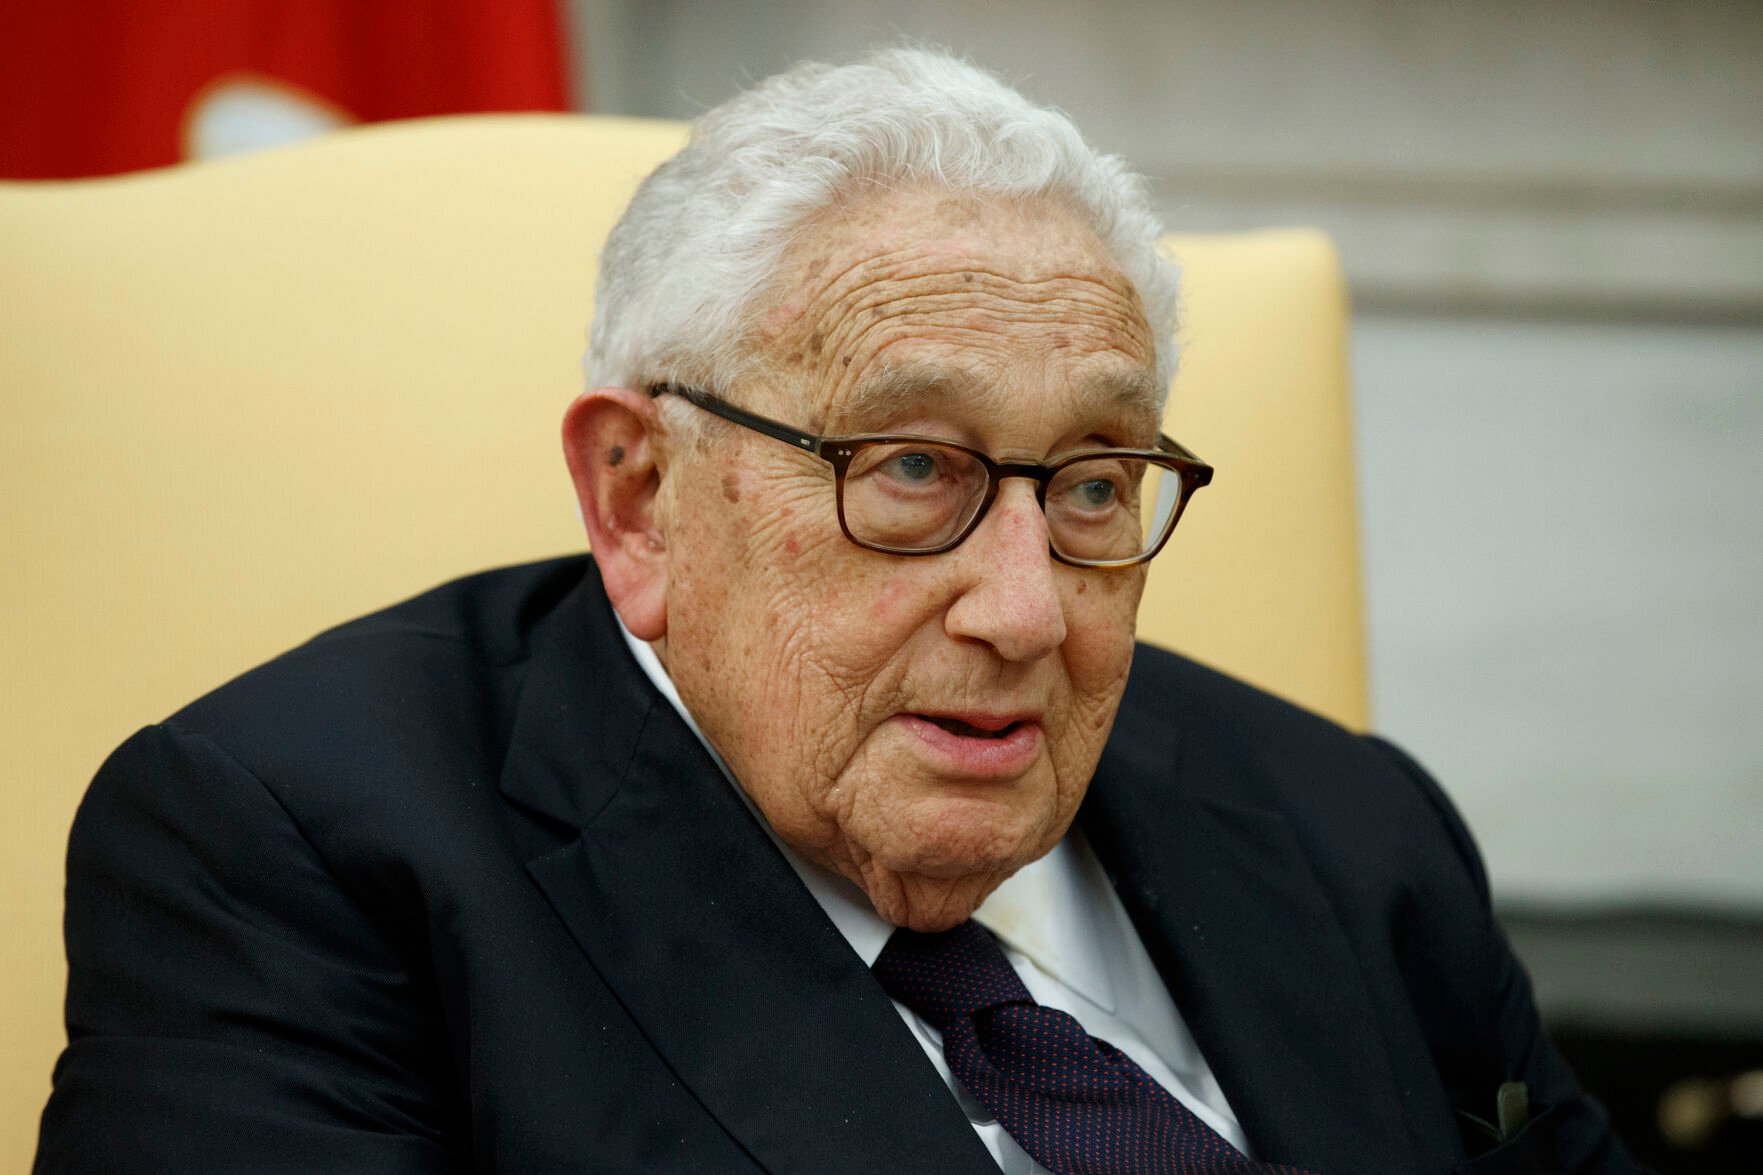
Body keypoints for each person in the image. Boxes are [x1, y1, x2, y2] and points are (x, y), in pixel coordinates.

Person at [35, 48, 1645, 1175]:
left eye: (1092, 483)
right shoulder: (294, 855)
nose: (1026, 614)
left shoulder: (1348, 823)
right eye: (909, 469)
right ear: (642, 499)